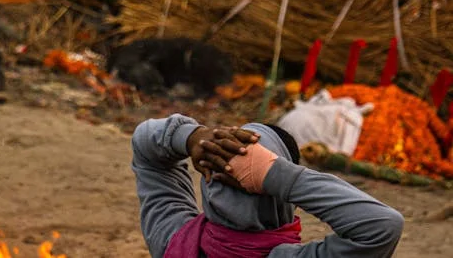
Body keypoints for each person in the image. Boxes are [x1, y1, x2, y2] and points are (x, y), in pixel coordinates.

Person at [131, 114, 404, 257]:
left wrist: (194, 137)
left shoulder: (173, 240)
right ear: (285, 200)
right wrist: (277, 175)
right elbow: (381, 227)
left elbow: (146, 147)